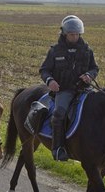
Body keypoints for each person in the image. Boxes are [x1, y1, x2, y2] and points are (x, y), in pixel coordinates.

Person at [39, 15, 99, 161]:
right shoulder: (55, 51)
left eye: (77, 34)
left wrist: (89, 76)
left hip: (84, 90)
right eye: (72, 34)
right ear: (65, 34)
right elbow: (44, 70)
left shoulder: (86, 50)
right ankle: (58, 148)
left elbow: (94, 68)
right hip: (64, 91)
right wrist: (50, 81)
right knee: (59, 114)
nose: (75, 37)